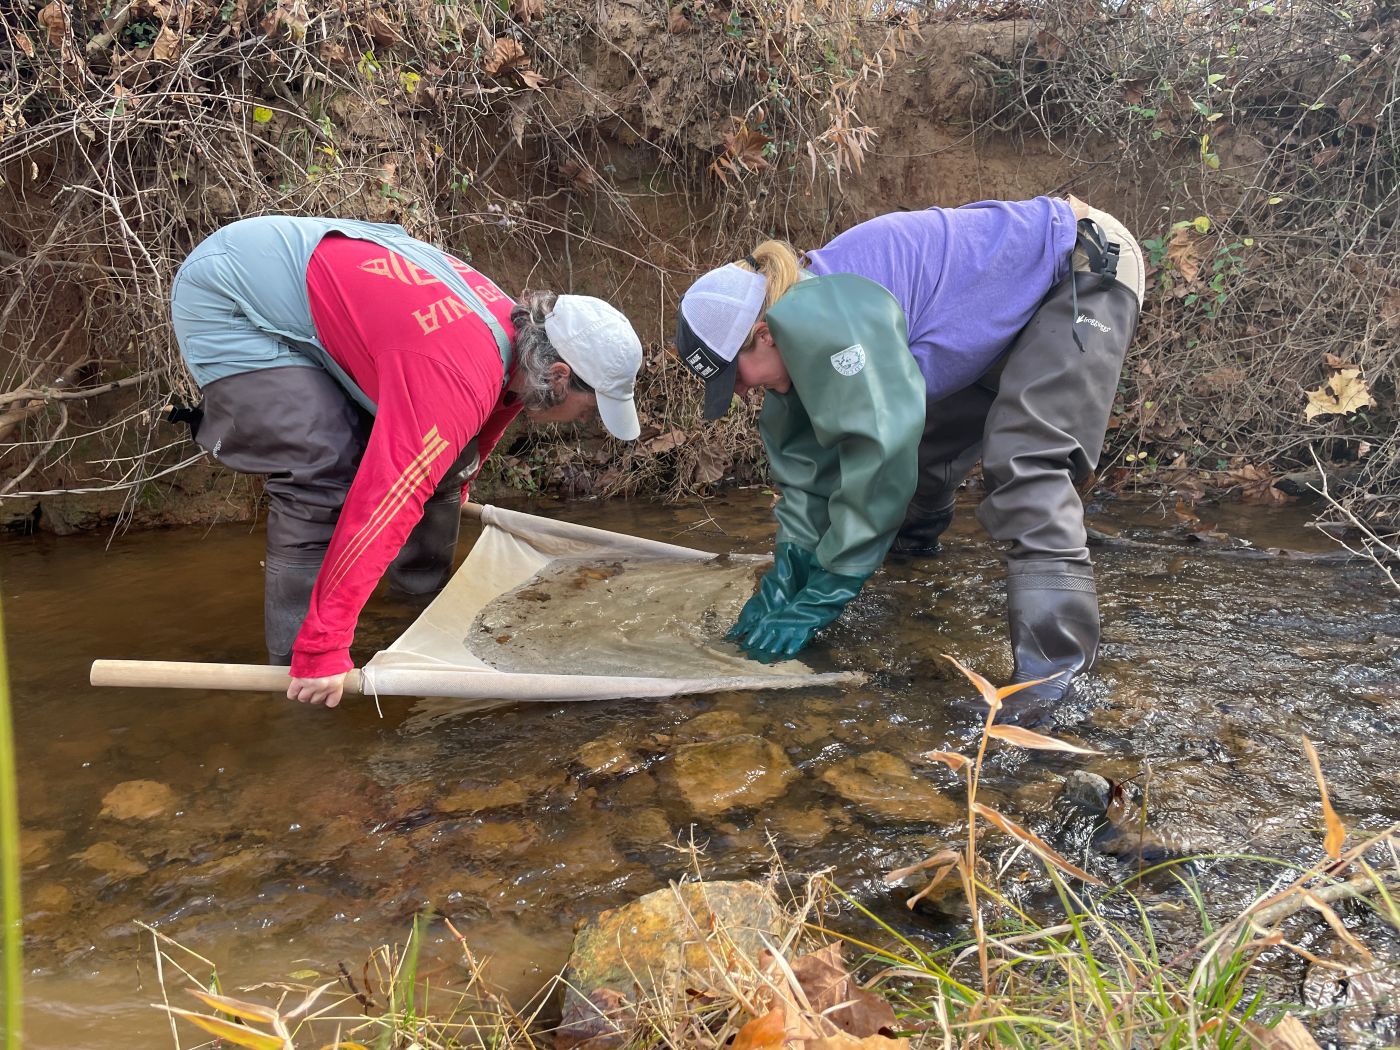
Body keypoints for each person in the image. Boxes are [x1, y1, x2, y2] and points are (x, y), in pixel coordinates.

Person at [674, 195, 1144, 726]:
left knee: (1025, 462)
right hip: (997, 319)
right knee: (927, 458)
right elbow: (809, 476)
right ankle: (911, 567)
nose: (738, 394)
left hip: (1079, 268)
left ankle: (1056, 685)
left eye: (734, 377)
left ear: (762, 335)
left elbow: (879, 453)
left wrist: (830, 589)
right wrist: (789, 576)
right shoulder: (801, 333)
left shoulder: (823, 318)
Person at [170, 215, 644, 709]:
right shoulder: (457, 370)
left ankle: (413, 611)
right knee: (326, 469)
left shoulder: (518, 338)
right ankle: (300, 670)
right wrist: (326, 647)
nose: (584, 421)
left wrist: (458, 481)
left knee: (444, 462)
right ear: (560, 375)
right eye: (590, 409)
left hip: (312, 287)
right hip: (232, 296)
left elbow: (494, 409)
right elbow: (386, 500)